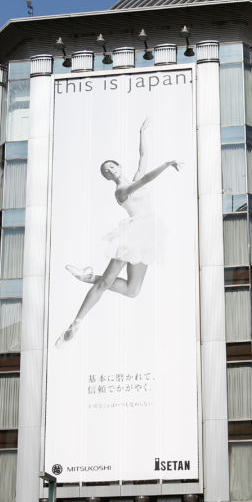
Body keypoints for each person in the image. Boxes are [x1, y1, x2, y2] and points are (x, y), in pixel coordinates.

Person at [54, 116, 182, 348]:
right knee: (105, 284)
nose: (110, 171)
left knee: (133, 291)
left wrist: (142, 132)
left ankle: (86, 276)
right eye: (106, 171)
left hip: (148, 235)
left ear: (119, 166)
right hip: (133, 235)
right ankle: (76, 323)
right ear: (107, 178)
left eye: (112, 166)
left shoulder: (131, 178)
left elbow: (142, 157)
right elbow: (145, 179)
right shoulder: (121, 191)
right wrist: (166, 165)